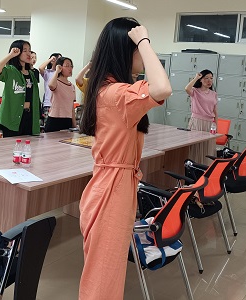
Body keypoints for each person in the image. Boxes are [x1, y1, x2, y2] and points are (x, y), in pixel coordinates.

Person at [78, 17, 172, 299]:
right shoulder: (116, 94)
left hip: (114, 185)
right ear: (125, 51)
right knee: (103, 278)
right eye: (138, 50)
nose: (143, 55)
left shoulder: (111, 90)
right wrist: (143, 40)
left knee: (107, 272)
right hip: (112, 190)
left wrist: (141, 43)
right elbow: (162, 88)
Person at [0, 40, 40, 137]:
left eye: (29, 50)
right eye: (25, 50)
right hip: (12, 117)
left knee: (28, 144)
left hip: (29, 116)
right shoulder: (10, 70)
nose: (28, 53)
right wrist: (10, 55)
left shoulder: (31, 74)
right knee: (11, 144)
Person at [185, 69, 218, 162]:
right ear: (201, 80)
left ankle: (205, 167)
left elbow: (215, 111)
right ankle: (193, 166)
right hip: (197, 122)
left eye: (211, 78)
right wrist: (196, 77)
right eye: (206, 78)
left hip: (209, 123)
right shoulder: (195, 91)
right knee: (195, 147)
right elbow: (186, 88)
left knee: (207, 147)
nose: (209, 81)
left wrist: (216, 125)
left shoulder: (214, 94)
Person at [44, 57, 76, 132]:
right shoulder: (56, 82)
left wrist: (74, 125)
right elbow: (51, 85)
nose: (70, 68)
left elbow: (72, 107)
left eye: (71, 66)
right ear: (60, 67)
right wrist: (57, 71)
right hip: (55, 119)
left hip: (68, 120)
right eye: (67, 66)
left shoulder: (72, 86)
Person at [39, 52, 62, 118]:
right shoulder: (48, 72)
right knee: (47, 123)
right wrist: (51, 59)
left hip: (59, 105)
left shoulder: (61, 74)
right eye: (58, 59)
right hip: (48, 104)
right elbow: (40, 68)